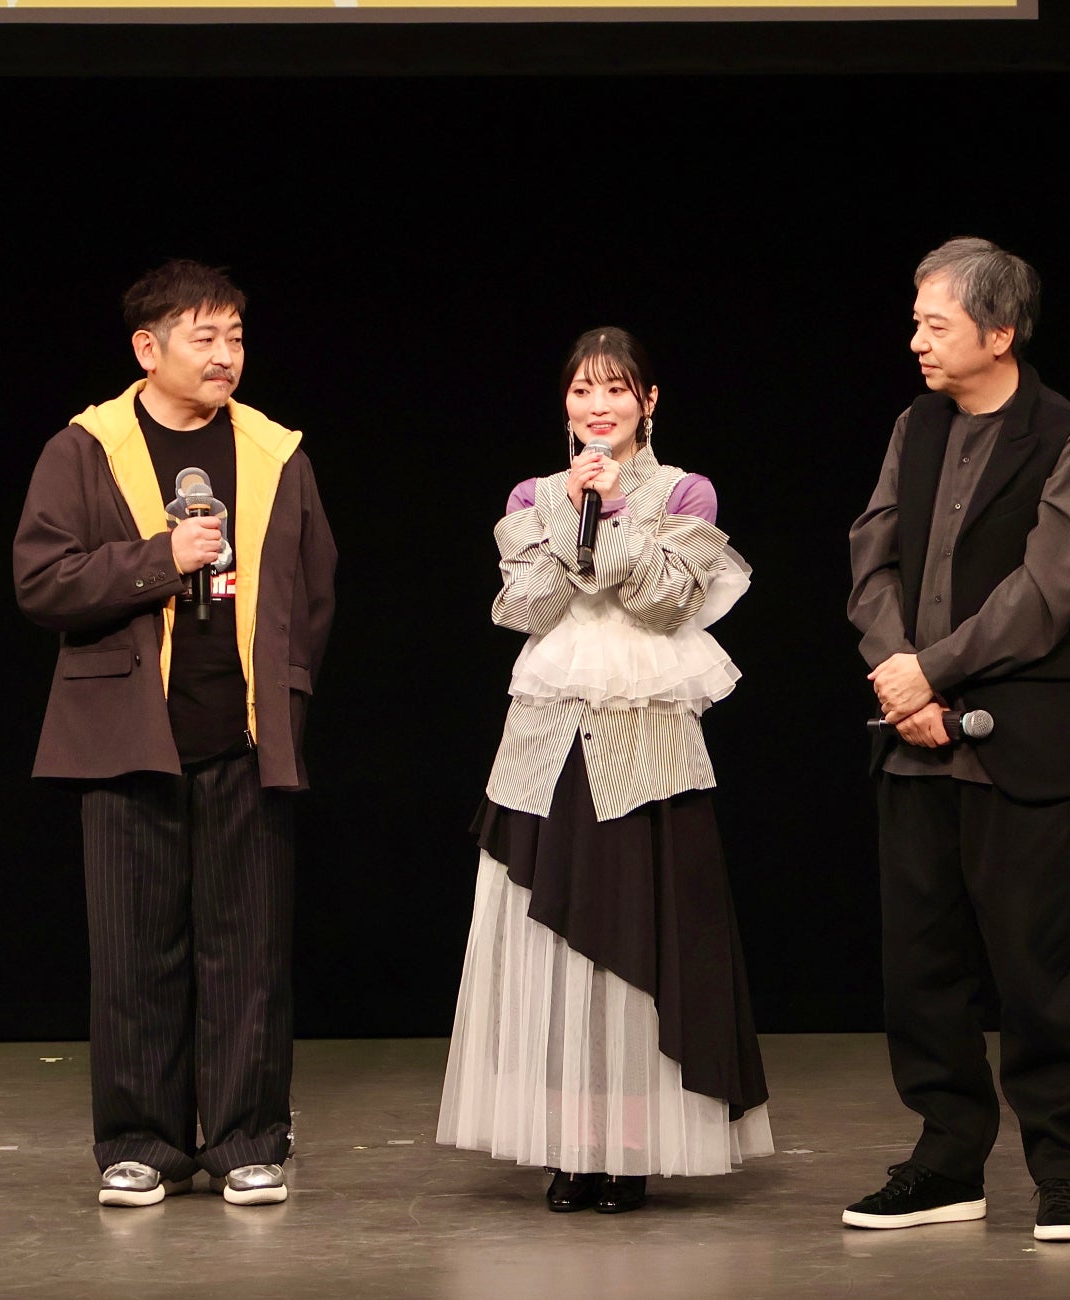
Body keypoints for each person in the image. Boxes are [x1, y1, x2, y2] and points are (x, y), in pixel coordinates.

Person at [12, 259, 337, 1208]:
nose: (226, 355)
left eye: (235, 336)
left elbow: (314, 592)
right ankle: (140, 1144)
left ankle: (248, 1140)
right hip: (126, 737)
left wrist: (287, 696)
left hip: (244, 736)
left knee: (249, 951)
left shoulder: (276, 452)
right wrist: (162, 558)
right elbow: (42, 580)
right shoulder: (85, 449)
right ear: (147, 349)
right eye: (205, 338)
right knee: (133, 951)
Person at [436, 326, 771, 1215]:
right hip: (545, 748)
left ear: (648, 402)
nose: (599, 406)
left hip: (645, 752)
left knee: (632, 939)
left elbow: (667, 603)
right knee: (552, 946)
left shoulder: (685, 490)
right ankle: (567, 1145)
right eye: (583, 390)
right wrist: (571, 518)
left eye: (617, 389)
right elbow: (524, 607)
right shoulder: (533, 495)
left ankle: (630, 1147)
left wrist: (616, 513)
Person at [844, 237, 1070, 1242]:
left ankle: (1061, 1172)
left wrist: (932, 669)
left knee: (1039, 969)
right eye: (916, 322)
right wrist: (898, 672)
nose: (916, 341)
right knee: (922, 971)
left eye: (936, 324)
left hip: (1023, 745)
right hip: (914, 737)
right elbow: (871, 555)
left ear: (999, 333)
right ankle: (946, 1162)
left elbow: (1045, 593)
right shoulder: (914, 425)